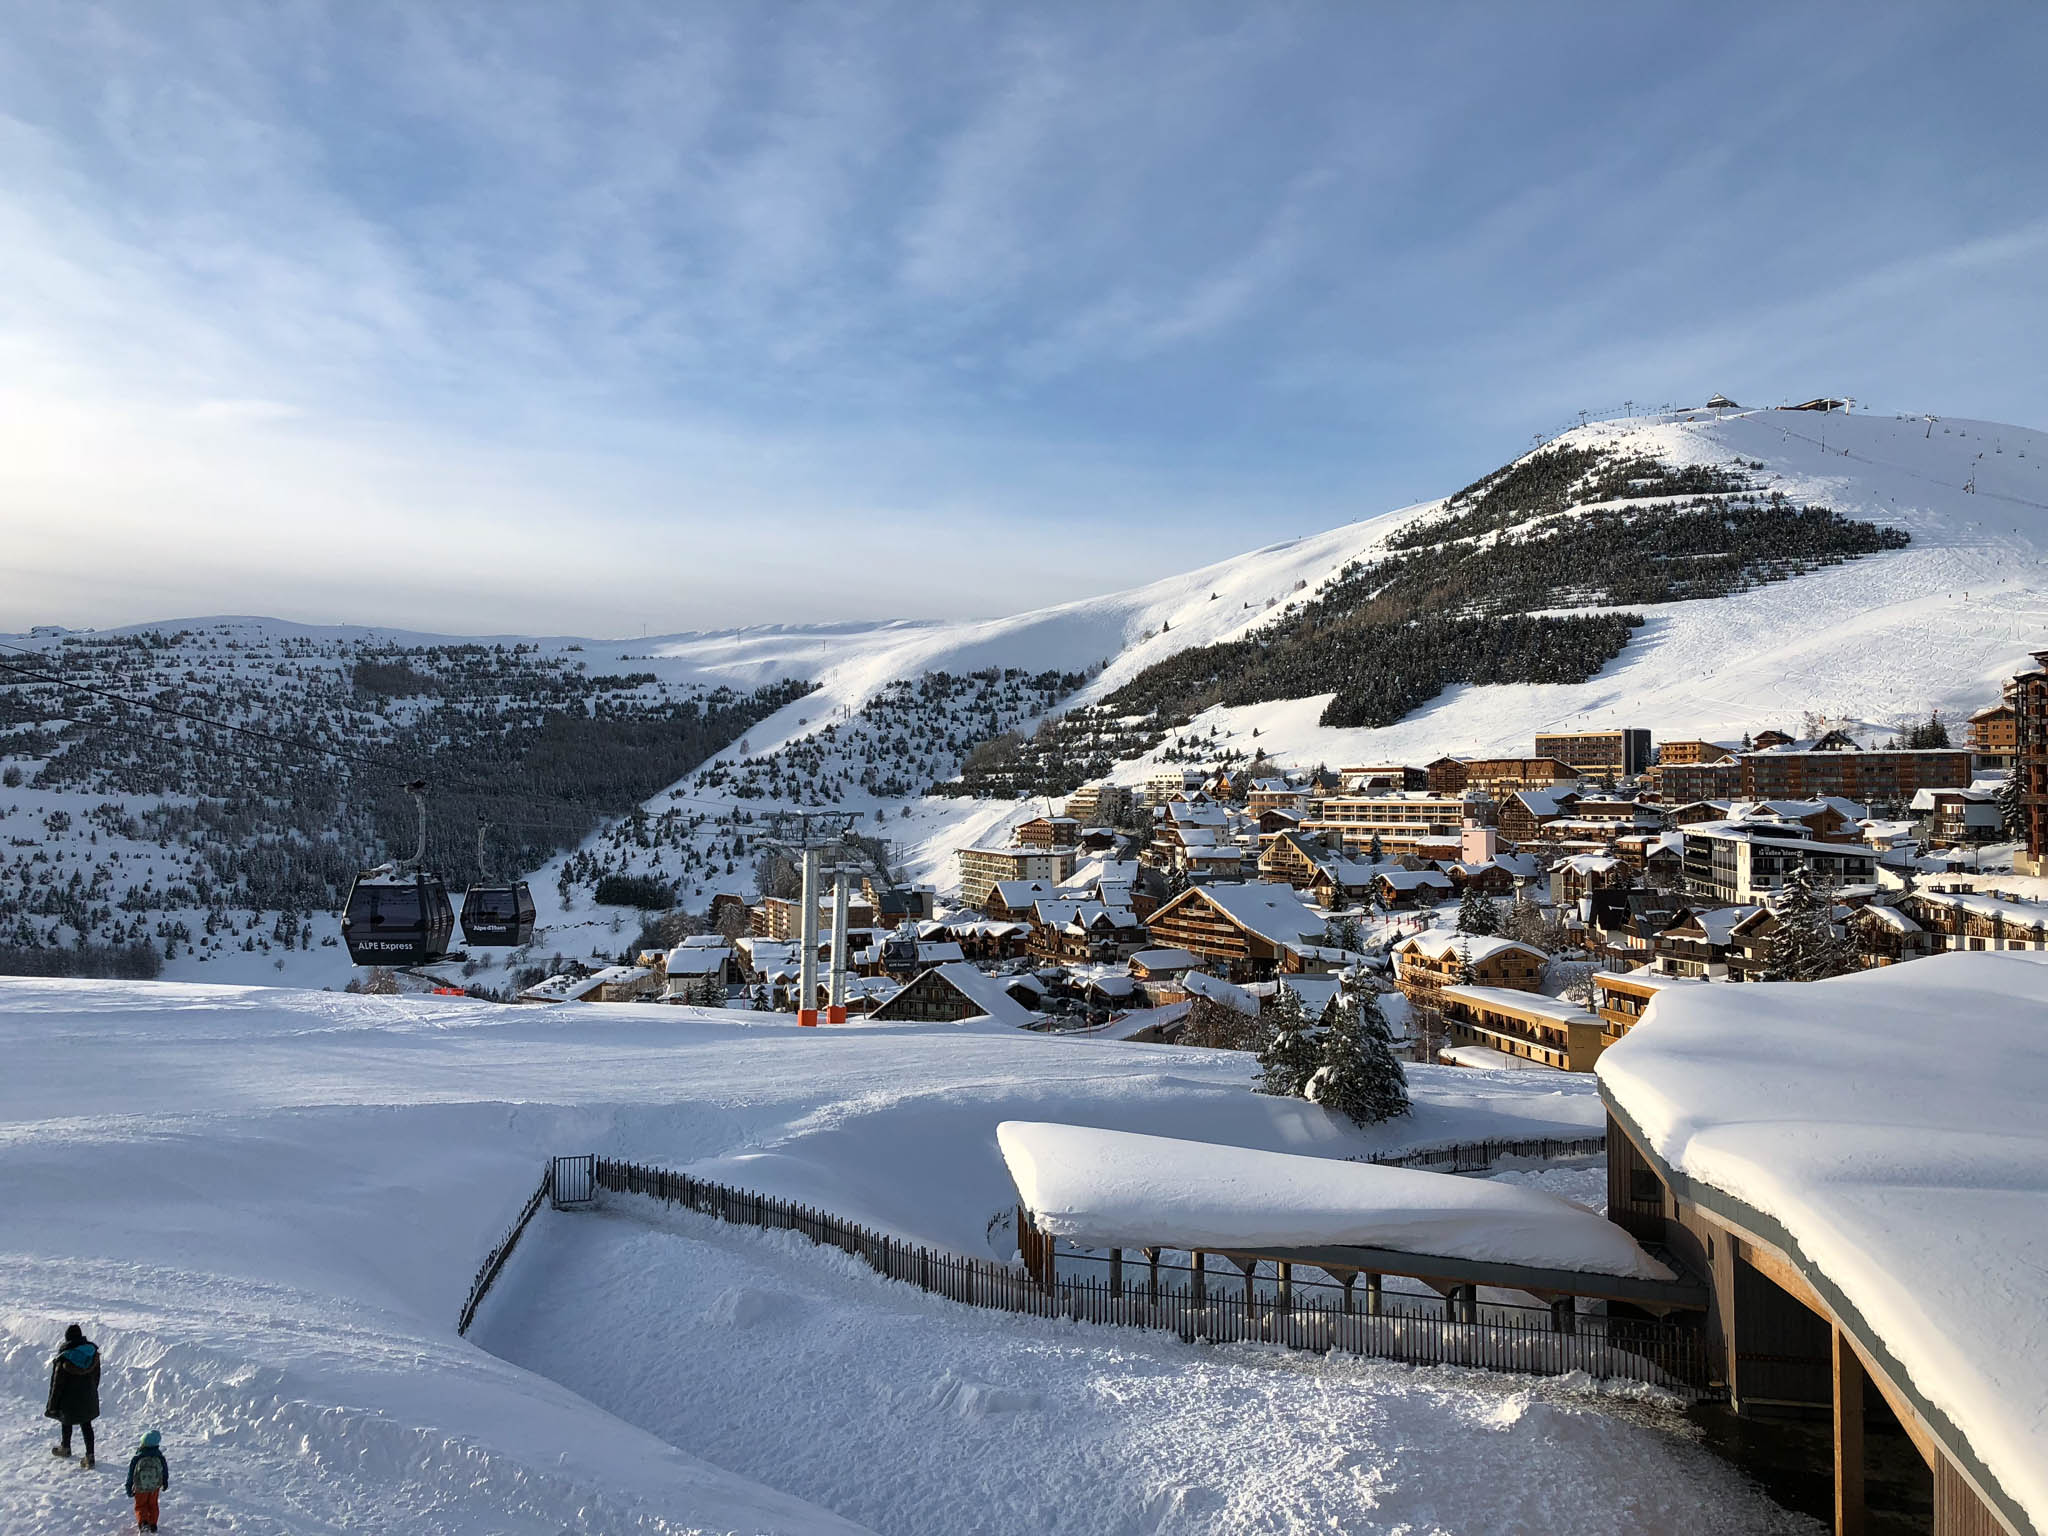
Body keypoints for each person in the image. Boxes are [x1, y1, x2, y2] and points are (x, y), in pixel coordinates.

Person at [44, 1323, 101, 1468]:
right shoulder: (92, 1353)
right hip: (88, 1396)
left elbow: (57, 1385)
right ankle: (90, 1456)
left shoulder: (64, 1358)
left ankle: (65, 1448)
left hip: (68, 1400)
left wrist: (52, 1405)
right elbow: (96, 1377)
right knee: (86, 1425)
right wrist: (91, 1391)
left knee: (66, 1422)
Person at [125, 1429, 170, 1533]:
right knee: (153, 1504)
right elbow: (164, 1470)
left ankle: (144, 1522)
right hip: (155, 1487)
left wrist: (128, 1486)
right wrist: (165, 1482)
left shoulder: (138, 1456)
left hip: (140, 1487)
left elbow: (131, 1473)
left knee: (141, 1505)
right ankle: (153, 1524)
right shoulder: (159, 1456)